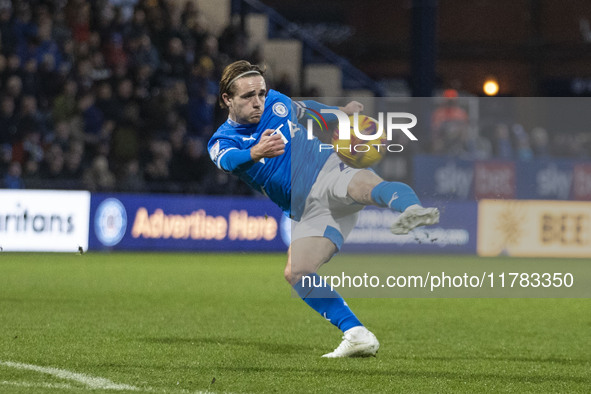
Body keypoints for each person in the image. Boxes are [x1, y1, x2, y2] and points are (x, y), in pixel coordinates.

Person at [207, 60, 439, 358]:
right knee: (297, 272)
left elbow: (308, 111)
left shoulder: (276, 103)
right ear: (227, 99)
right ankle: (357, 334)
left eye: (261, 93)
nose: (259, 102)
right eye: (248, 96)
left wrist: (339, 114)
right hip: (306, 210)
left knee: (361, 184)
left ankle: (411, 210)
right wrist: (255, 152)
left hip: (326, 172)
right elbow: (228, 161)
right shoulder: (222, 140)